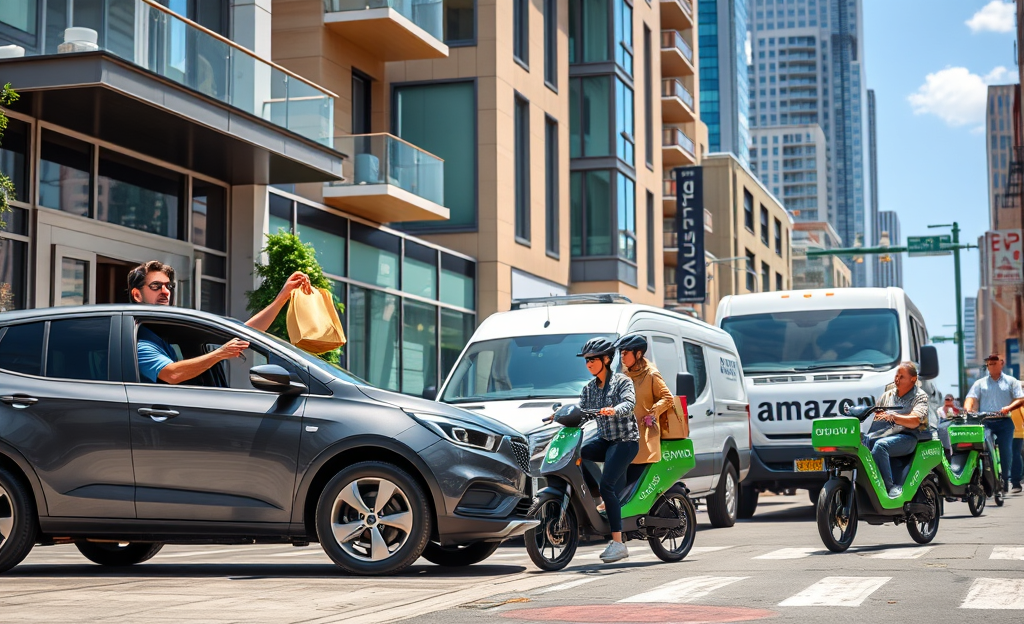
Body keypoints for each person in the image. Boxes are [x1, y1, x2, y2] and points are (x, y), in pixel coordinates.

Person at [128, 260, 311, 385]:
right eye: (156, 286)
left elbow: (245, 333)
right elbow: (172, 374)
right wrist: (219, 354)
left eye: (168, 286)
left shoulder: (165, 332)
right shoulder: (140, 339)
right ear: (137, 294)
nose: (165, 291)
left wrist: (282, 297)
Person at [575, 337, 637, 564]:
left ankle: (619, 544)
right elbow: (579, 411)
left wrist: (615, 409)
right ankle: (596, 498)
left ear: (607, 359)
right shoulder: (589, 389)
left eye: (592, 360)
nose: (588, 364)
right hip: (606, 440)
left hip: (625, 441)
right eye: (586, 360)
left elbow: (629, 403)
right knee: (579, 454)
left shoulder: (622, 382)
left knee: (607, 485)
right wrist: (560, 414)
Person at [863, 361, 930, 498]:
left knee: (881, 446)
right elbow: (878, 416)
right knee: (862, 440)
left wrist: (894, 417)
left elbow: (915, 420)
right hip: (885, 433)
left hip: (908, 437)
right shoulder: (887, 395)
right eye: (896, 376)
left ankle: (890, 487)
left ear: (913, 379)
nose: (897, 379)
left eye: (902, 377)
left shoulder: (920, 396)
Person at [964, 353, 1024, 493]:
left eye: (994, 363)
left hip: (1005, 421)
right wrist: (967, 409)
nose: (991, 366)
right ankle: (987, 477)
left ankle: (1005, 479)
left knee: (1006, 451)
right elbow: (970, 397)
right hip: (986, 421)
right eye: (989, 364)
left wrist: (1008, 408)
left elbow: (1020, 398)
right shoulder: (980, 383)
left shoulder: (1011, 381)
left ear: (1001, 363)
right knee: (985, 448)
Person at [615, 334, 674, 465]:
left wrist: (653, 412)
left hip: (645, 440)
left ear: (638, 354)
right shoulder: (624, 375)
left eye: (625, 353)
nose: (622, 357)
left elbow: (668, 398)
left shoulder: (651, 374)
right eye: (621, 353)